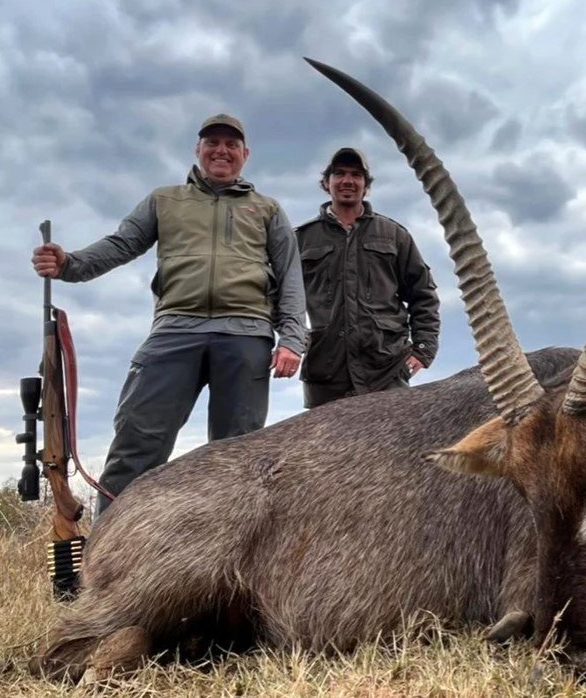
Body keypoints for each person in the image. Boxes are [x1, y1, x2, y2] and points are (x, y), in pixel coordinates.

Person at [31, 114, 307, 514]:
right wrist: (69, 264)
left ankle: (228, 569)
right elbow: (120, 245)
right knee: (137, 440)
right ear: (198, 150)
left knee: (241, 455)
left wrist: (293, 341)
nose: (222, 150)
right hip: (176, 329)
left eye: (232, 144)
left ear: (245, 155)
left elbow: (291, 278)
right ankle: (105, 561)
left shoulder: (266, 209)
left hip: (246, 334)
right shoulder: (165, 200)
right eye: (212, 142)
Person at [296, 147, 439, 408]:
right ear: (326, 183)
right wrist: (294, 338)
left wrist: (423, 350)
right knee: (325, 449)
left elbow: (423, 295)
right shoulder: (302, 239)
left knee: (394, 447)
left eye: (356, 174)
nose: (347, 181)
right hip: (326, 373)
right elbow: (277, 294)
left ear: (366, 185)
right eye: (339, 173)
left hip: (386, 369)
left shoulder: (394, 235)